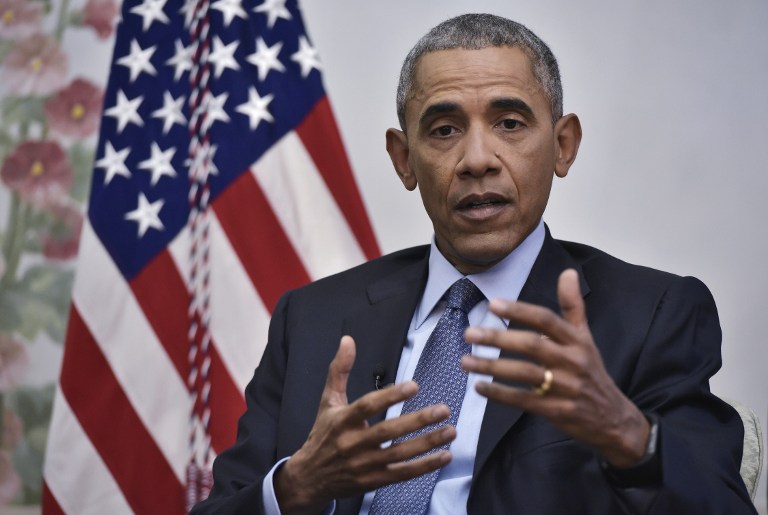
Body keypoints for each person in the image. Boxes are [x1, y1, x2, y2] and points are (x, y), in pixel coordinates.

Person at [192, 13, 756, 514]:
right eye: (444, 130)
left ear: (563, 145)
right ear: (404, 159)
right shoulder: (312, 318)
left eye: (510, 123)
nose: (478, 160)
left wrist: (626, 432)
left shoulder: (651, 315)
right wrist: (295, 488)